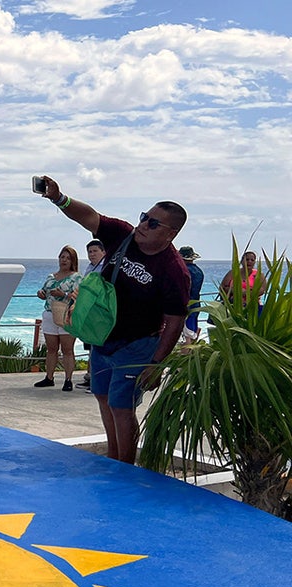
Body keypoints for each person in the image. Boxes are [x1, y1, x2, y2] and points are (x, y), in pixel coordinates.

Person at [36, 176, 190, 465]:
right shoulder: (124, 235)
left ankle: (125, 469)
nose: (143, 225)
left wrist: (156, 364)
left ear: (171, 234)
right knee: (103, 398)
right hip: (103, 338)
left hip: (137, 345)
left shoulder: (173, 271)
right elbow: (90, 218)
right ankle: (113, 458)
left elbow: (175, 321)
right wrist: (59, 198)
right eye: (145, 217)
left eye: (153, 223)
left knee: (122, 407)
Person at [33, 246, 82, 391]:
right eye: (62, 257)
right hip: (49, 314)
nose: (64, 260)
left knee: (67, 349)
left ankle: (68, 379)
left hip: (66, 314)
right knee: (51, 348)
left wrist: (64, 295)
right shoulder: (51, 276)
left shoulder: (76, 277)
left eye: (67, 258)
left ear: (73, 260)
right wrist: (41, 294)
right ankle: (49, 377)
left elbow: (79, 297)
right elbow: (44, 291)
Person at [75, 240, 107, 390]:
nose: (92, 254)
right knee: (91, 348)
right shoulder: (90, 267)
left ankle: (98, 381)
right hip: (89, 312)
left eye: (95, 251)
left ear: (103, 252)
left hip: (100, 313)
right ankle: (91, 377)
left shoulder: (106, 267)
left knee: (99, 348)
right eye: (89, 252)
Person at [179, 246, 205, 342]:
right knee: (191, 329)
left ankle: (185, 354)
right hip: (195, 302)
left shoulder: (184, 271)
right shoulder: (199, 271)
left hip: (185, 303)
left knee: (185, 334)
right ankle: (192, 353)